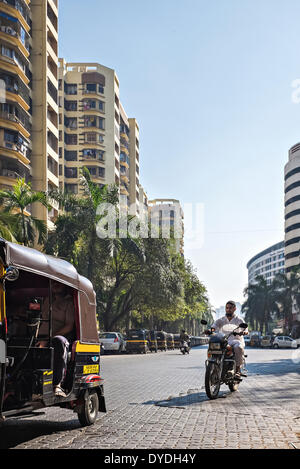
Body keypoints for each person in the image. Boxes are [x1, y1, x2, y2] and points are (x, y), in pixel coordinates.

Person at [37, 281, 75, 398]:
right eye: (53, 283)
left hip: (58, 336)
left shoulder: (69, 303)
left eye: (59, 283)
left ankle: (57, 385)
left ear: (65, 285)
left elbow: (69, 325)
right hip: (41, 336)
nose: (55, 285)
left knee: (58, 341)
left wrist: (49, 337)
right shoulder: (47, 300)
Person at [211, 301, 248, 378]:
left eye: (230, 308)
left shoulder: (239, 320)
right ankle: (213, 366)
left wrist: (244, 332)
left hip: (235, 340)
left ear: (234, 309)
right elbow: (214, 327)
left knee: (238, 347)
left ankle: (238, 370)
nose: (228, 310)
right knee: (213, 347)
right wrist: (210, 330)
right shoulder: (221, 320)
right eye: (227, 308)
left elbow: (246, 329)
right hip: (223, 340)